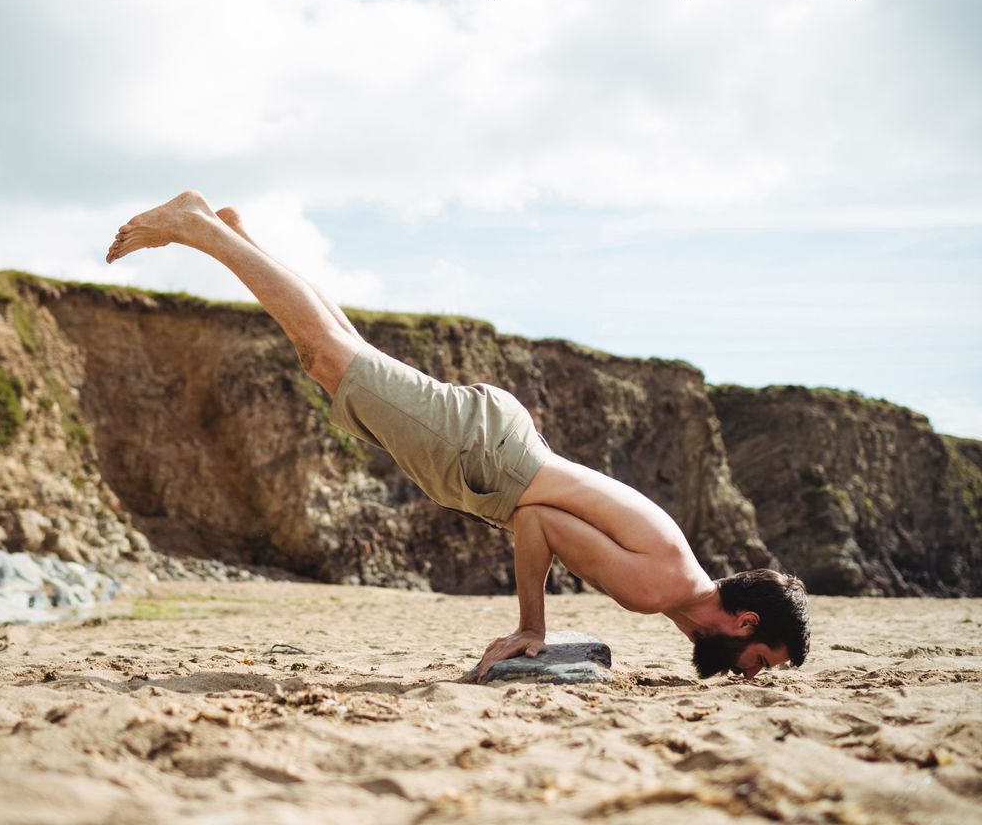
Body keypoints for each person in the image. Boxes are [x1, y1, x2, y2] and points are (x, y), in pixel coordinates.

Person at [106, 191, 810, 682]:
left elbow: (685, 613)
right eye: (760, 664)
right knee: (329, 356)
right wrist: (531, 627)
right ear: (745, 623)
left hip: (497, 449)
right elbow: (536, 519)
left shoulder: (683, 591)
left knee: (336, 358)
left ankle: (235, 233)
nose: (750, 678)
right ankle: (198, 226)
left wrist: (694, 639)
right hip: (490, 462)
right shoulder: (664, 587)